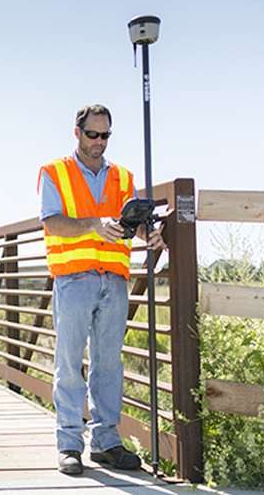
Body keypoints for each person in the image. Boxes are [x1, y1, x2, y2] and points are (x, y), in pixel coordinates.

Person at [38, 104, 165, 474]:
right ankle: (69, 445)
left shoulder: (123, 177)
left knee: (109, 363)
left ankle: (106, 441)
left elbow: (134, 222)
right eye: (92, 135)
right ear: (77, 133)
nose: (98, 143)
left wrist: (149, 233)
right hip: (73, 278)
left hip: (114, 278)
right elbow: (53, 223)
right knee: (69, 363)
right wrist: (95, 224)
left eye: (105, 135)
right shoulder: (54, 172)